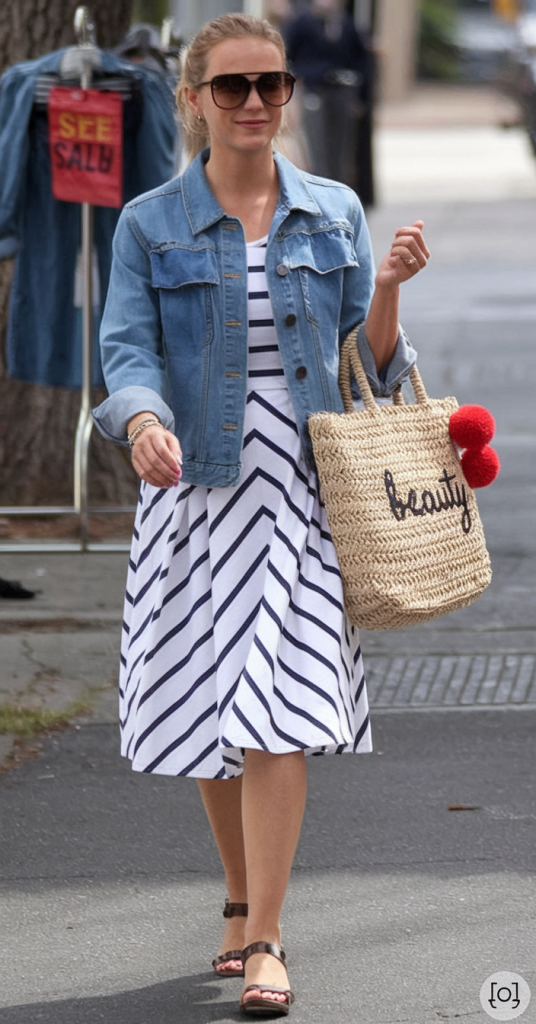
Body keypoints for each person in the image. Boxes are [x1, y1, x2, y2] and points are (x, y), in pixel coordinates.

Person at [92, 13, 429, 1018]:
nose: (253, 103)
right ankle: (239, 898)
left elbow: (365, 369)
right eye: (232, 87)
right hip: (196, 492)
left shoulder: (332, 211)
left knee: (276, 709)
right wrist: (143, 421)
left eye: (270, 85)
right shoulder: (148, 223)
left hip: (301, 495)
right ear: (192, 99)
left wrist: (393, 293)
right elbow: (125, 352)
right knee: (211, 710)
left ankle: (268, 938)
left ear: (287, 95)